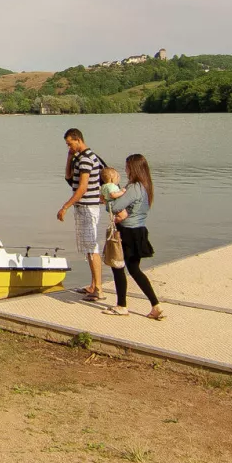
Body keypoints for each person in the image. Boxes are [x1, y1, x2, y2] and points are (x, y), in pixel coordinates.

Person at [105, 155, 164, 320]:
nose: (125, 170)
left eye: (127, 166)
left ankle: (122, 305)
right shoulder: (145, 186)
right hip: (139, 231)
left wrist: (107, 199)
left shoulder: (133, 187)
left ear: (133, 168)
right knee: (135, 270)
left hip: (128, 233)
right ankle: (155, 305)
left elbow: (116, 207)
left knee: (118, 266)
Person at [55, 127, 107, 302]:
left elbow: (82, 187)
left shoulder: (86, 159)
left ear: (78, 139)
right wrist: (69, 157)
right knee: (88, 247)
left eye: (70, 144)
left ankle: (98, 288)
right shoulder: (80, 157)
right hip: (85, 207)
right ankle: (93, 285)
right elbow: (69, 176)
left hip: (87, 207)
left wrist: (65, 206)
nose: (69, 147)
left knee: (91, 248)